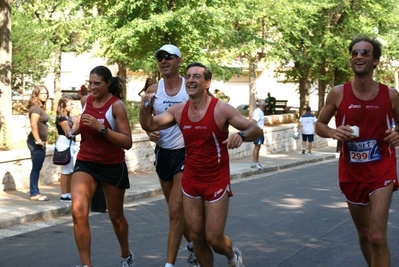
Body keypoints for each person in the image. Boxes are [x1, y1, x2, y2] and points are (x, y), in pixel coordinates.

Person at [140, 62, 263, 267]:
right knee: (197, 237)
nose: (190, 80)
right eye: (188, 76)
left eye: (196, 77)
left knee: (213, 238)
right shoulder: (179, 111)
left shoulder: (221, 109)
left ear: (207, 83)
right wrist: (145, 106)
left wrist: (241, 135)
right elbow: (149, 124)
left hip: (216, 180)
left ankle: (233, 256)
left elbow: (255, 129)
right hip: (191, 180)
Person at [315, 36, 399, 267]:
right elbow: (319, 125)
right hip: (351, 171)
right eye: (355, 53)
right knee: (364, 234)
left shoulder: (390, 94)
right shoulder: (338, 93)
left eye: (365, 53)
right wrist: (333, 132)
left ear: (375, 61)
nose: (359, 56)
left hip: (382, 168)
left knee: (377, 236)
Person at [69, 66, 135, 267]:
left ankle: (126, 255)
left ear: (108, 84)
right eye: (90, 83)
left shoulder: (116, 106)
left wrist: (101, 128)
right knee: (78, 210)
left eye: (97, 83)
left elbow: (127, 142)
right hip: (86, 162)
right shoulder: (86, 100)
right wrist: (75, 129)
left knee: (116, 216)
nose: (93, 87)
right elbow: (84, 124)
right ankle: (86, 265)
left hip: (112, 165)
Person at [146, 44, 197, 267]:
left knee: (176, 209)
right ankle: (196, 245)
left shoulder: (191, 87)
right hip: (163, 154)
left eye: (168, 57)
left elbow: (213, 108)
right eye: (160, 58)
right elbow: (147, 122)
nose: (163, 61)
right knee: (174, 211)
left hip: (187, 153)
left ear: (179, 60)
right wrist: (149, 132)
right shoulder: (153, 90)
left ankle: (169, 264)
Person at [27, 85, 50, 201]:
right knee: (36, 168)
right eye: (42, 93)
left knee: (37, 167)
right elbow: (33, 124)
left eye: (46, 93)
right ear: (36, 94)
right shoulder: (36, 108)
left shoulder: (39, 108)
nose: (45, 95)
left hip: (39, 142)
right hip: (36, 142)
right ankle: (34, 193)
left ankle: (35, 192)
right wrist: (38, 140)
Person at [55, 95, 80, 202]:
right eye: (69, 104)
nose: (72, 106)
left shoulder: (68, 117)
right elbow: (68, 133)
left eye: (72, 104)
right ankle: (64, 194)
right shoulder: (62, 118)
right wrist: (75, 123)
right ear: (63, 105)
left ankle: (68, 192)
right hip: (65, 144)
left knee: (70, 170)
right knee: (66, 170)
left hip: (70, 144)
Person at [251, 100, 266, 169]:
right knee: (256, 147)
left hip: (260, 131)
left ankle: (257, 161)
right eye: (264, 104)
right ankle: (254, 162)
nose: (265, 105)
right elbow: (254, 121)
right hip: (257, 131)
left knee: (258, 147)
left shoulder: (261, 112)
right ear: (262, 105)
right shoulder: (257, 112)